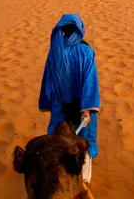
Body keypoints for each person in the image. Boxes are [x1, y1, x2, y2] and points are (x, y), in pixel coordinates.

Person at [38, 13, 100, 184]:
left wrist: (48, 103)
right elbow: (90, 81)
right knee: (84, 142)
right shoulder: (86, 51)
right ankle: (84, 181)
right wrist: (87, 109)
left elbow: (48, 82)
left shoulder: (55, 53)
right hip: (82, 107)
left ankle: (61, 178)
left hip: (60, 107)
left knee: (59, 142)